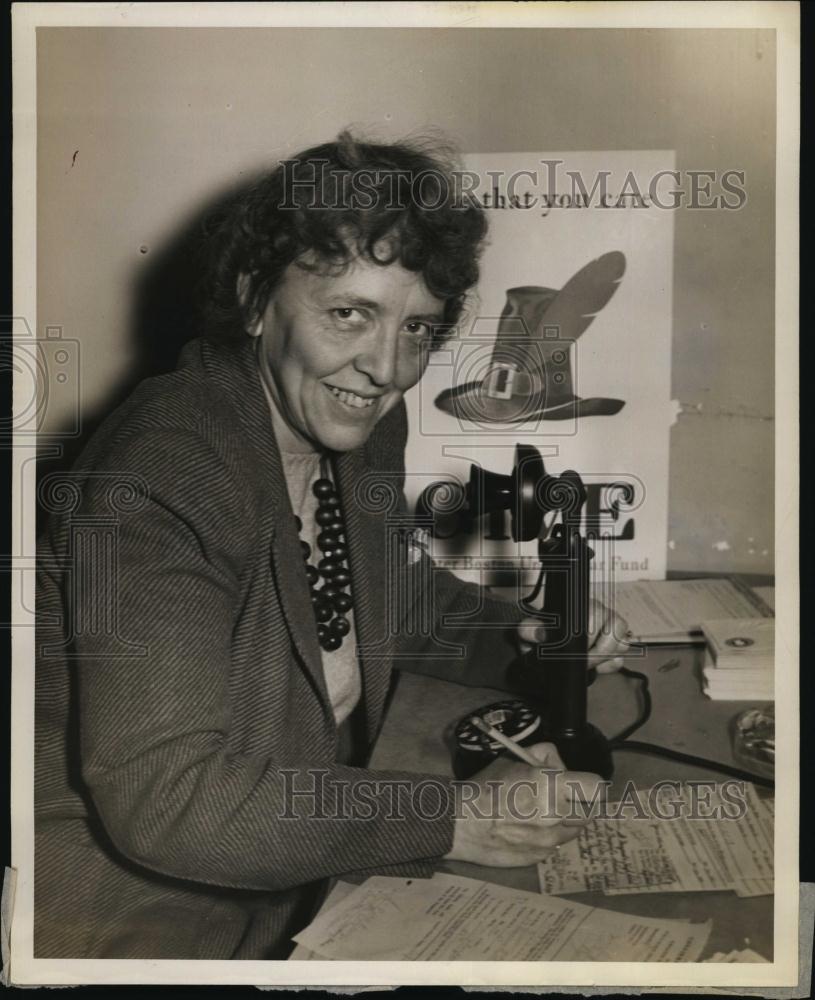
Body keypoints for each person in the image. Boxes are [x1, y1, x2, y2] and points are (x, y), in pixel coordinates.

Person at [34, 132, 628, 960]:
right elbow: (171, 805)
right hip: (137, 922)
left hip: (296, 879)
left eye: (417, 327)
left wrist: (523, 638)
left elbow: (374, 598)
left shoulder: (352, 421)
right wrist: (453, 820)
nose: (386, 367)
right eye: (349, 313)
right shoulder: (164, 473)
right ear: (254, 300)